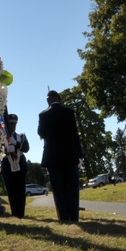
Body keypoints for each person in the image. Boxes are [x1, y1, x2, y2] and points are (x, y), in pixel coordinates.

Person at [37, 90, 84, 222]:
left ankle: (63, 217)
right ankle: (74, 216)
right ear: (59, 99)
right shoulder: (69, 112)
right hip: (70, 155)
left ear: (48, 101)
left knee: (58, 188)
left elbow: (41, 133)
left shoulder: (43, 115)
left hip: (53, 157)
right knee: (72, 187)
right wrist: (79, 155)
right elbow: (75, 135)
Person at [0, 113, 30, 218]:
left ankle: (21, 213)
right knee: (11, 192)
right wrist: (6, 150)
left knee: (20, 191)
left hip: (20, 167)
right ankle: (14, 214)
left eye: (14, 124)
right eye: (10, 124)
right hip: (7, 167)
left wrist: (16, 143)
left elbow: (26, 148)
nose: (13, 126)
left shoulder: (21, 136)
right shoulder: (1, 138)